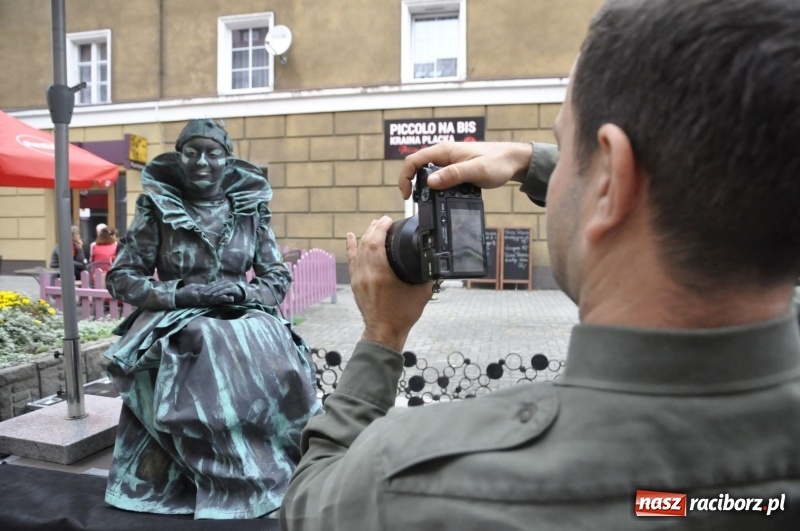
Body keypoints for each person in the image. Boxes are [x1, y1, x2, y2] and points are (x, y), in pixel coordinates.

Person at [280, 0, 800, 528]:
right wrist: (534, 162)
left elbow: (310, 502)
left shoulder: (412, 483)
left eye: (562, 146)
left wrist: (381, 335)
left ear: (609, 182)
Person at [103, 118, 322, 520]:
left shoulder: (250, 209)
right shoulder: (157, 206)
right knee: (203, 336)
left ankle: (269, 458)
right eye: (192, 152)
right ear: (180, 157)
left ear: (227, 159)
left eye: (213, 152)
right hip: (177, 315)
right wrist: (183, 293)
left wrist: (243, 291)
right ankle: (218, 472)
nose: (202, 161)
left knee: (272, 338)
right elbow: (122, 277)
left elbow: (276, 276)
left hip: (242, 309)